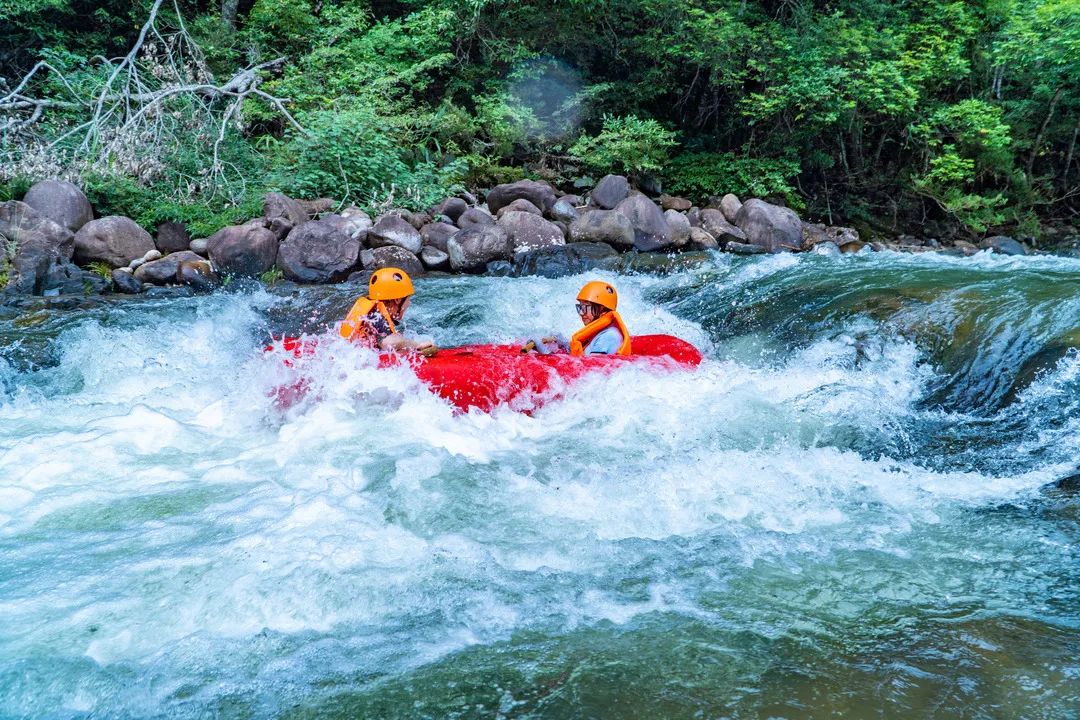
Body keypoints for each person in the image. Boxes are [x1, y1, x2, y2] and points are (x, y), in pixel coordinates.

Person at [339, 267, 436, 354]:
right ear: (397, 300)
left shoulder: (371, 314)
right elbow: (388, 343)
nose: (409, 303)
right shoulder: (376, 316)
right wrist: (417, 345)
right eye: (408, 299)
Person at [525, 280, 632, 356]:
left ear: (602, 309)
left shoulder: (608, 337)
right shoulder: (600, 332)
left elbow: (590, 371)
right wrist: (560, 346)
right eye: (580, 307)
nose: (581, 313)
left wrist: (546, 355)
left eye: (586, 307)